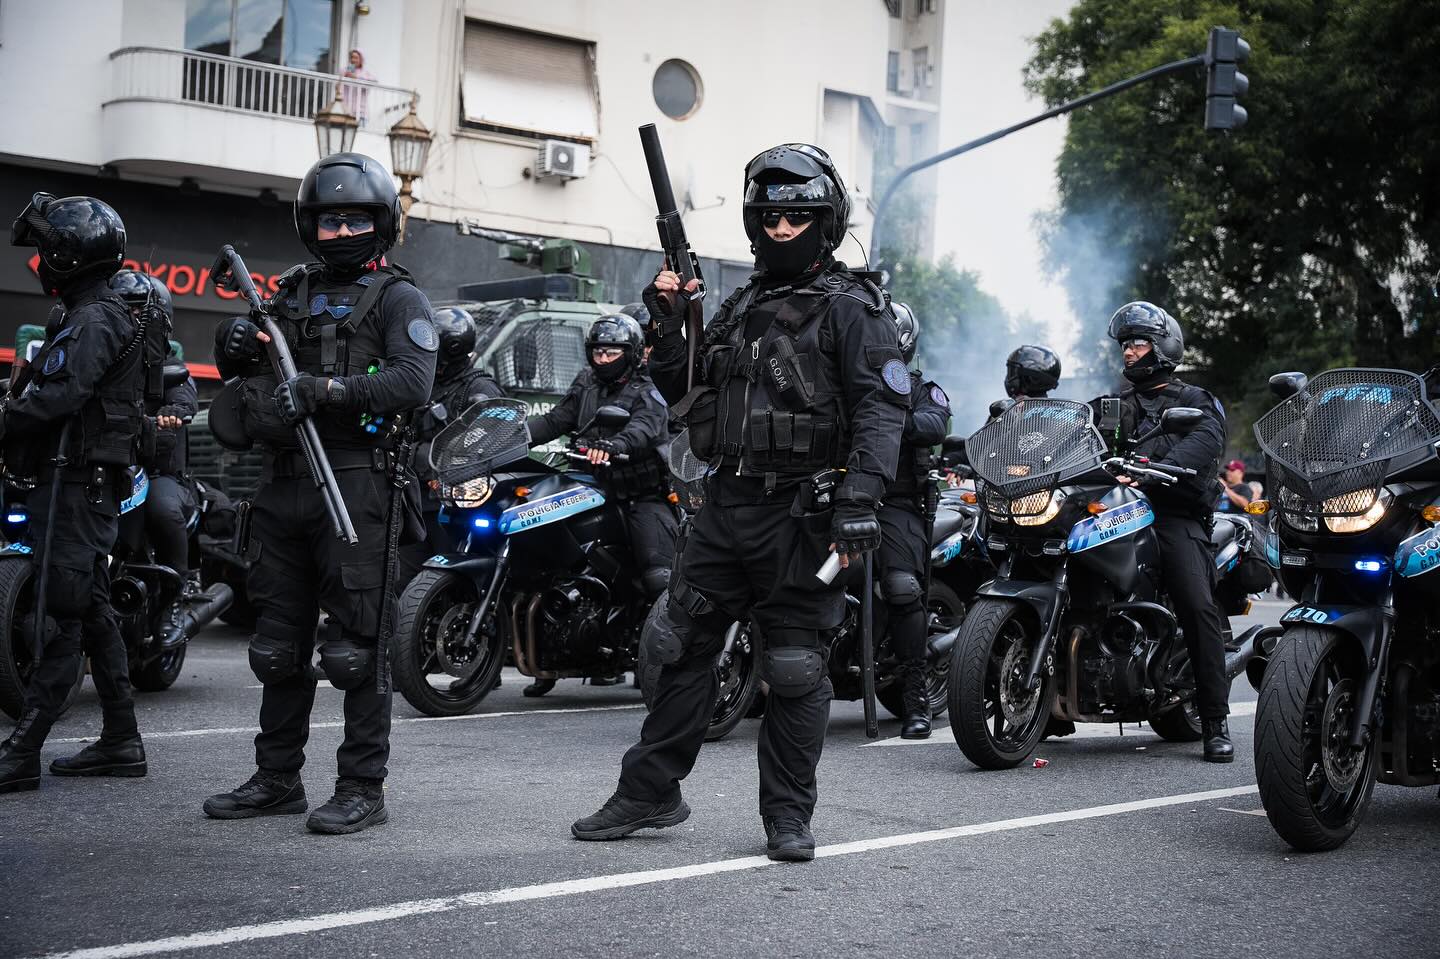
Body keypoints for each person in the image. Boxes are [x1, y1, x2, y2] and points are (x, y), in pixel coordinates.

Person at [571, 143, 905, 861]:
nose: (782, 229)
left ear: (825, 221)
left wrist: (860, 499)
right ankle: (650, 792)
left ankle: (788, 816)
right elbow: (681, 385)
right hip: (724, 506)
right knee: (677, 645)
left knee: (793, 666)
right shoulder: (739, 304)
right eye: (771, 216)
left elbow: (882, 411)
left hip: (804, 516)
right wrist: (666, 319)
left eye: (797, 216)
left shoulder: (854, 309)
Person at [203, 152, 437, 833]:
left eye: (354, 220)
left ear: (383, 223)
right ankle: (277, 777)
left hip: (357, 484)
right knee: (277, 643)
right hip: (282, 486)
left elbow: (412, 383)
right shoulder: (291, 292)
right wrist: (238, 338)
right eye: (328, 221)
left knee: (355, 648)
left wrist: (328, 389)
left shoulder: (400, 298)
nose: (339, 232)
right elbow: (237, 359)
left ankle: (363, 785)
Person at [0, 192, 147, 792]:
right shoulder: (89, 313)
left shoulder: (96, 318)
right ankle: (122, 741)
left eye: (44, 252)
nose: (38, 263)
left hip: (78, 483)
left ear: (67, 257)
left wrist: (5, 417)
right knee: (90, 608)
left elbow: (59, 397)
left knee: (61, 615)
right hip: (74, 480)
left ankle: (23, 749)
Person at [1101, 301, 1233, 763]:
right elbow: (1078, 439)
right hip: (1116, 510)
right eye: (1125, 345)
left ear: (1162, 346)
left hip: (1172, 515)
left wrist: (1160, 468)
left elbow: (1205, 440)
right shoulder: (1113, 404)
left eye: (1137, 343)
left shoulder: (1195, 400)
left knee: (1197, 606)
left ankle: (1215, 720)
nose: (1129, 353)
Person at [526, 313, 677, 694]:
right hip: (595, 486)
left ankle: (661, 659)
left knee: (659, 576)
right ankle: (548, 652)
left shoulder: (650, 385)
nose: (603, 359)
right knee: (542, 548)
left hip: (642, 493)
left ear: (631, 353)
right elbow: (557, 419)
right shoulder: (586, 382)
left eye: (612, 352)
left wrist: (615, 445)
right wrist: (513, 436)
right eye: (598, 351)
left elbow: (647, 426)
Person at [877, 302, 950, 739]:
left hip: (898, 502)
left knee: (902, 588)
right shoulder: (842, 383)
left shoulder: (922, 389)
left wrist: (887, 417)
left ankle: (915, 698)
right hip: (839, 496)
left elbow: (934, 423)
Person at [108, 272, 200, 606]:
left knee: (163, 510)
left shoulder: (170, 367)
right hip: (108, 468)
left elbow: (184, 395)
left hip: (158, 473)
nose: (130, 320)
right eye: (122, 311)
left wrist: (174, 411)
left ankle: (176, 597)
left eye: (138, 312)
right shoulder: (101, 369)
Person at [410, 306, 504, 562]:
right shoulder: (426, 383)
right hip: (416, 500)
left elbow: (489, 444)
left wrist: (421, 456)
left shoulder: (480, 388)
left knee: (451, 570)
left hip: (456, 507)